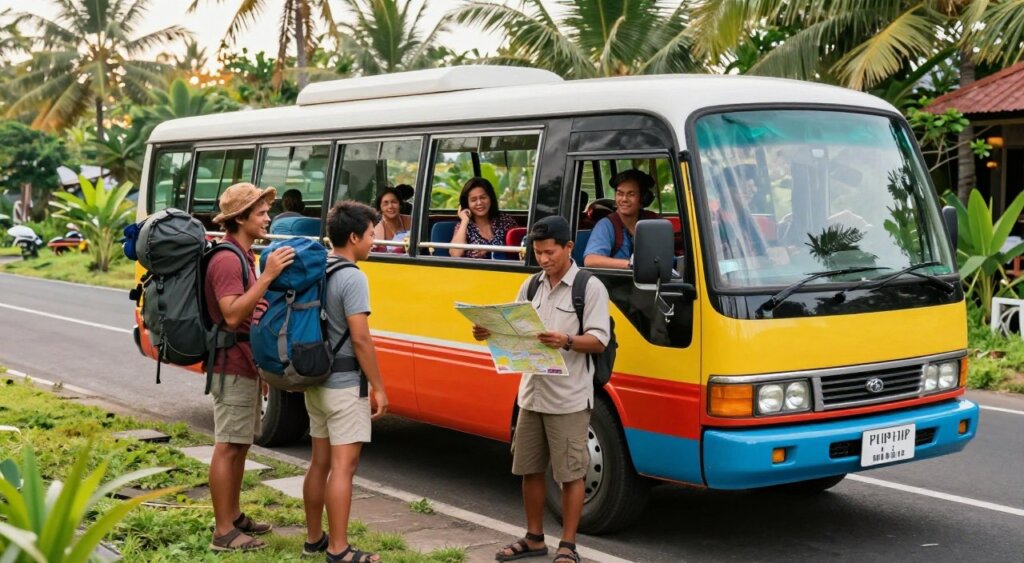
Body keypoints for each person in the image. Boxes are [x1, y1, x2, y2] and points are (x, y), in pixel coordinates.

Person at [471, 216, 609, 563]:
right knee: (529, 468)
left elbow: (599, 340)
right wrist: (488, 332)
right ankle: (534, 537)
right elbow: (514, 330)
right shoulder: (531, 285)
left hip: (569, 397)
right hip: (531, 393)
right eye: (538, 253)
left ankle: (568, 545)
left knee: (571, 472)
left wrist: (566, 340)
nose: (544, 259)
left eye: (549, 252)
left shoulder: (589, 287)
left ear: (568, 248)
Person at [205, 182, 296, 552]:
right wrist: (268, 275)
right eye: (260, 213)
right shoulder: (228, 259)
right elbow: (231, 315)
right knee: (227, 446)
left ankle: (234, 515)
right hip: (230, 363)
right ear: (240, 218)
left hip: (245, 362)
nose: (267, 218)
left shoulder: (244, 254)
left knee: (240, 445)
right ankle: (223, 531)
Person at [302, 200, 390, 563]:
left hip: (316, 381)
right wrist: (379, 386)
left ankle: (314, 540)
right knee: (343, 468)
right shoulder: (353, 276)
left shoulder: (317, 266)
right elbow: (361, 340)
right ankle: (339, 549)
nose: (374, 241)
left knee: (319, 463)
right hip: (343, 385)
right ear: (353, 236)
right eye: (371, 235)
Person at [583, 169, 659, 269]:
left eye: (631, 194)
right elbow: (590, 260)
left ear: (643, 198)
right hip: (618, 283)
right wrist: (632, 265)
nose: (624, 199)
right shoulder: (606, 225)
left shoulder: (651, 221)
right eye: (620, 194)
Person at [450, 177, 518, 259]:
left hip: (506, 269)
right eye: (473, 200)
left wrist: (487, 251)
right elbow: (455, 254)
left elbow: (521, 247)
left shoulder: (504, 220)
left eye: (483, 197)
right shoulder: (465, 227)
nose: (479, 203)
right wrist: (464, 220)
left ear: (490, 198)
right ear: (467, 203)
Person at [372, 186, 412, 253]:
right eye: (386, 203)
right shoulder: (379, 229)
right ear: (380, 208)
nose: (390, 206)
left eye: (394, 202)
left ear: (400, 204)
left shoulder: (410, 220)